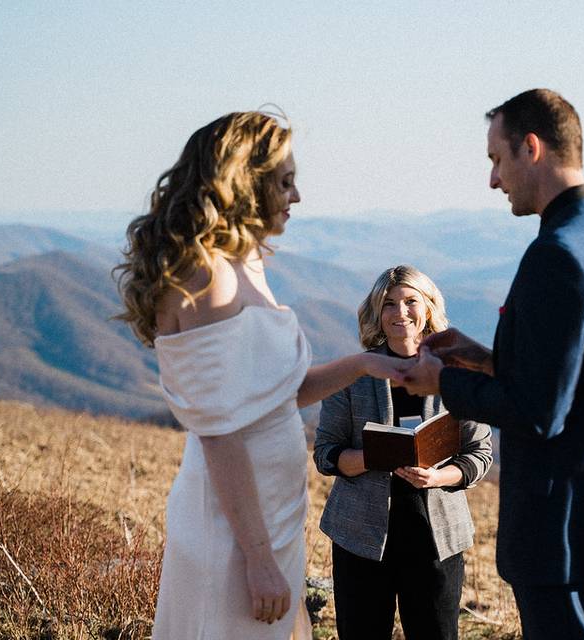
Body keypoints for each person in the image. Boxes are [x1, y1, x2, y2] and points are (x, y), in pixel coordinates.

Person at [115, 111, 405, 640]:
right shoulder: (205, 276)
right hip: (230, 529)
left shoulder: (245, 262)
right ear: (247, 182)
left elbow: (280, 396)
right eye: (286, 181)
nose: (297, 197)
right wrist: (257, 558)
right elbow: (220, 431)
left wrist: (367, 363)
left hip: (274, 513)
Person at [399, 89, 584, 639]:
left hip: (564, 532)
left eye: (497, 160)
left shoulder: (558, 255)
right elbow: (577, 380)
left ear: (532, 148)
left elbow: (541, 411)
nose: (494, 180)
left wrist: (441, 381)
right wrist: (485, 360)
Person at [313, 265, 493, 640]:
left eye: (411, 301)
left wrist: (438, 476)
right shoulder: (353, 373)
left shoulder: (457, 371)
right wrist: (370, 458)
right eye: (389, 304)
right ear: (377, 313)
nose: (401, 313)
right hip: (360, 537)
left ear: (428, 307)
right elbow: (325, 452)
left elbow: (480, 453)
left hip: (436, 538)